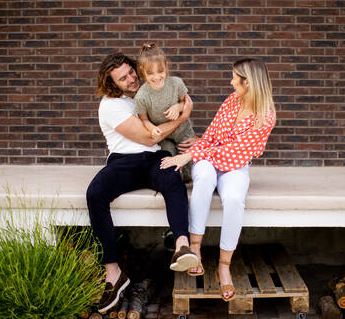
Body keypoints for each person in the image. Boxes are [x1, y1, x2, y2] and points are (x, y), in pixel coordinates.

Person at [87, 52, 198, 314]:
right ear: (112, 83)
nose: (130, 79)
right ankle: (113, 271)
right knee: (95, 193)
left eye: (131, 72)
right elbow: (148, 138)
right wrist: (182, 117)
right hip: (124, 162)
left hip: (154, 159)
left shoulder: (149, 91)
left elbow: (165, 130)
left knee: (172, 178)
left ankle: (182, 245)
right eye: (122, 78)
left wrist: (190, 134)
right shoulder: (111, 105)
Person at [160, 58, 276, 302]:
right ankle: (195, 250)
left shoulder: (265, 116)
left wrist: (191, 155)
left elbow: (237, 152)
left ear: (248, 82)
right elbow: (213, 135)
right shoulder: (231, 101)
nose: (231, 81)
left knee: (234, 199)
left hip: (234, 165)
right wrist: (199, 147)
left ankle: (224, 266)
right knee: (203, 181)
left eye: (235, 77)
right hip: (209, 159)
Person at [134, 43, 196, 182]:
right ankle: (177, 183)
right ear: (142, 71)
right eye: (150, 73)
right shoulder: (142, 96)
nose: (156, 77)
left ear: (166, 66)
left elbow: (185, 103)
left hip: (183, 131)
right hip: (164, 137)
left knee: (192, 164)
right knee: (169, 164)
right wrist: (152, 128)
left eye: (160, 71)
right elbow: (144, 119)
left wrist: (177, 107)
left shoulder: (176, 83)